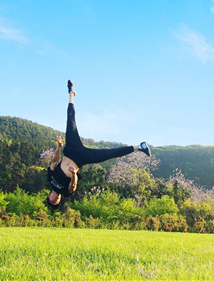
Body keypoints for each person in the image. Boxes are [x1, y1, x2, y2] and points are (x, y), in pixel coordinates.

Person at [46, 80, 151, 210]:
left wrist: (59, 147)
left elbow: (54, 161)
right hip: (81, 159)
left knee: (70, 121)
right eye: (57, 202)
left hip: (70, 151)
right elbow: (73, 185)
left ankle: (70, 94)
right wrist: (73, 175)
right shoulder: (66, 193)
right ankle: (140, 146)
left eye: (53, 201)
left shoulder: (50, 179)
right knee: (108, 154)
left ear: (49, 196)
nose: (56, 200)